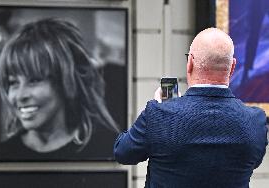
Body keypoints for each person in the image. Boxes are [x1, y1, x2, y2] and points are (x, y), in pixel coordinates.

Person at [114, 28, 268, 187]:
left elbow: (123, 153)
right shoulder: (255, 121)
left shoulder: (159, 115)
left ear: (190, 63)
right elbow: (252, 161)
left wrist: (161, 111)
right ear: (232, 67)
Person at [0, 18, 119, 160]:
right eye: (13, 82)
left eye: (34, 80)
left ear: (67, 82)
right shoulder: (1, 156)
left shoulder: (107, 150)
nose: (20, 95)